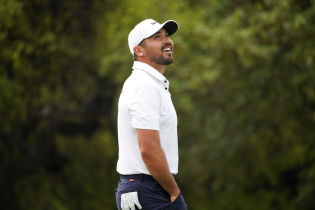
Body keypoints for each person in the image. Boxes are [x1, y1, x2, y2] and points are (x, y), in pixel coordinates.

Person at [115, 18, 187, 210]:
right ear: (139, 50)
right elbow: (149, 149)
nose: (167, 41)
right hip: (148, 190)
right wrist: (174, 192)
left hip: (143, 188)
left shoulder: (150, 83)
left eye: (167, 36)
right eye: (157, 37)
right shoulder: (144, 85)